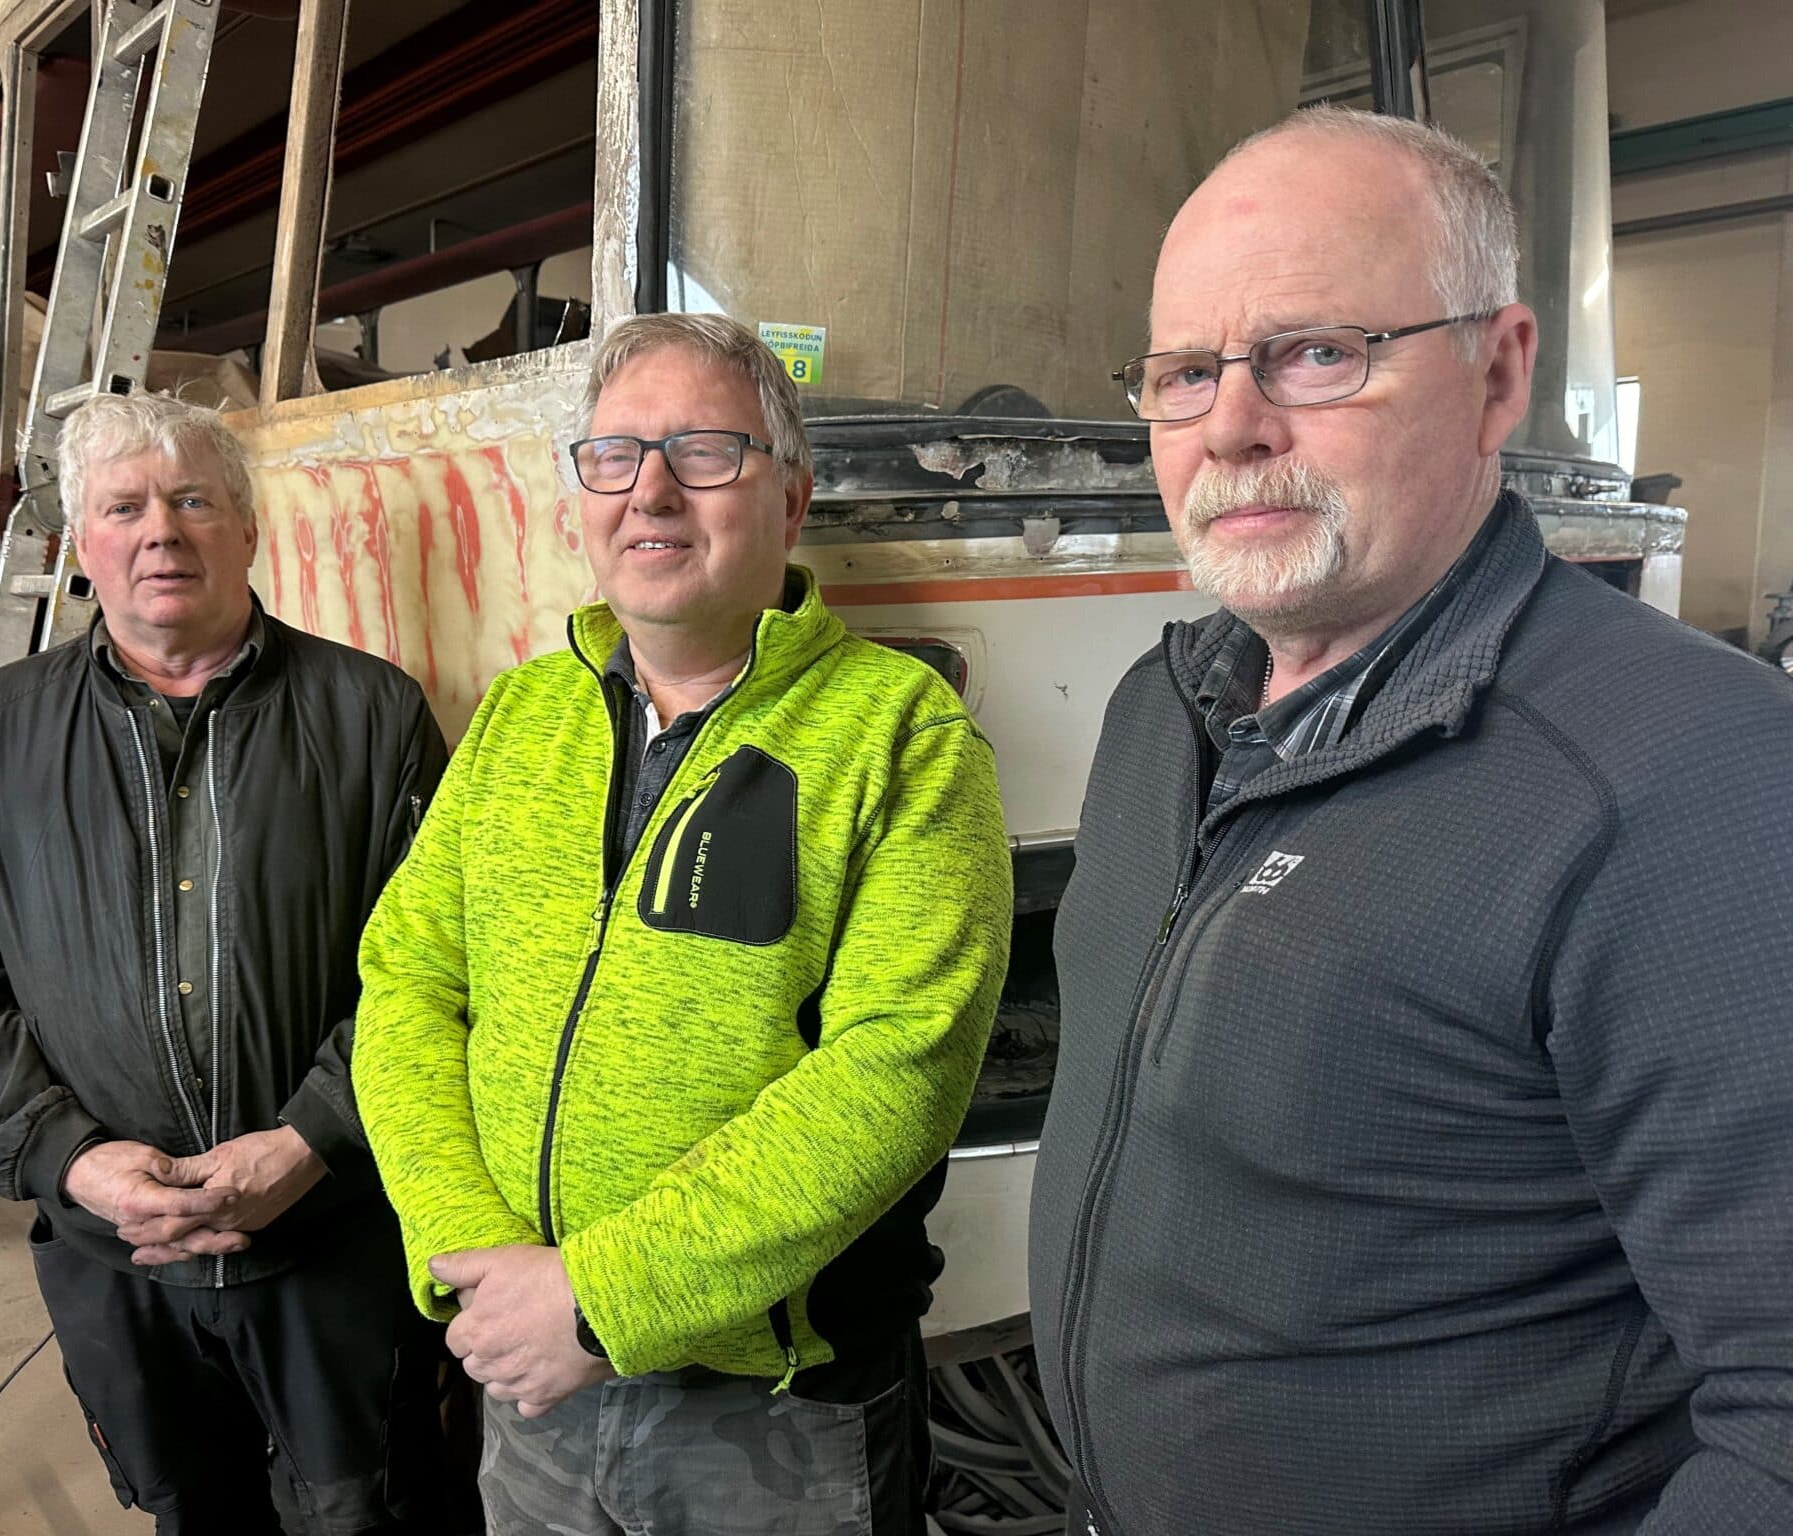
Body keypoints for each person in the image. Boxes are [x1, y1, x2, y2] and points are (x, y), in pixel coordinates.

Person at [1029, 105, 1793, 1535]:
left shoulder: (1688, 778)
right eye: (1184, 373)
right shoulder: (1162, 712)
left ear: (1498, 374)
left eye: (1317, 353)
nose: (1232, 427)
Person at [351, 312, 1012, 1535]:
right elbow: (405, 982)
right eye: (613, 456)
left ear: (790, 499)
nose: (648, 491)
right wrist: (469, 1251)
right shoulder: (518, 718)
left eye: (703, 452)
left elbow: (897, 1071)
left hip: (768, 1417)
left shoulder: (899, 734)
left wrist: (596, 1302)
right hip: (526, 1374)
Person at [0, 391, 452, 1535]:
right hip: (117, 1267)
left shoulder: (371, 713)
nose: (160, 533)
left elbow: (443, 972)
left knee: (371, 1509)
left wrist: (311, 1138)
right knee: (191, 1510)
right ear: (79, 543)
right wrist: (72, 1159)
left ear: (246, 528)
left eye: (192, 501)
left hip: (334, 1245)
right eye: (124, 507)